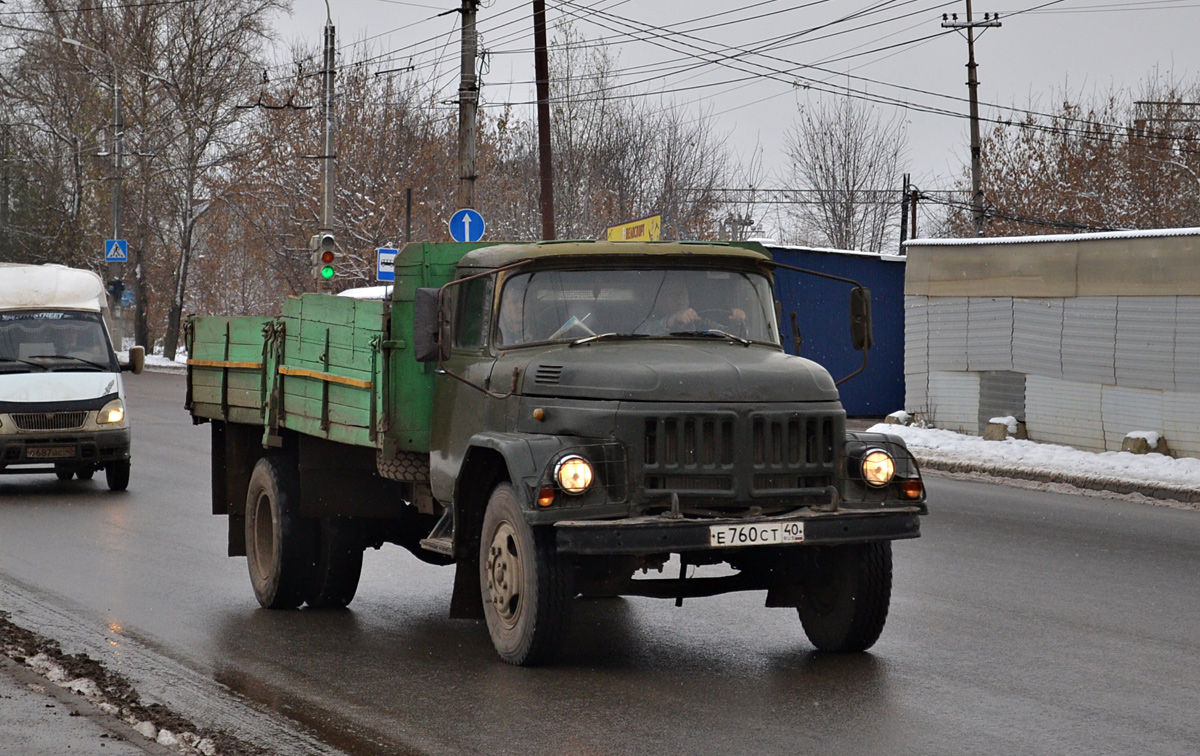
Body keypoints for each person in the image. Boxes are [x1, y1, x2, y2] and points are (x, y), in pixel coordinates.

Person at [643, 280, 746, 333]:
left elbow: (725, 335)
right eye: (675, 294)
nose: (681, 298)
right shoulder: (650, 320)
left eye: (684, 294)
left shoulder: (700, 323)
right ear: (661, 300)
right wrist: (672, 320)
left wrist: (736, 323)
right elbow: (640, 334)